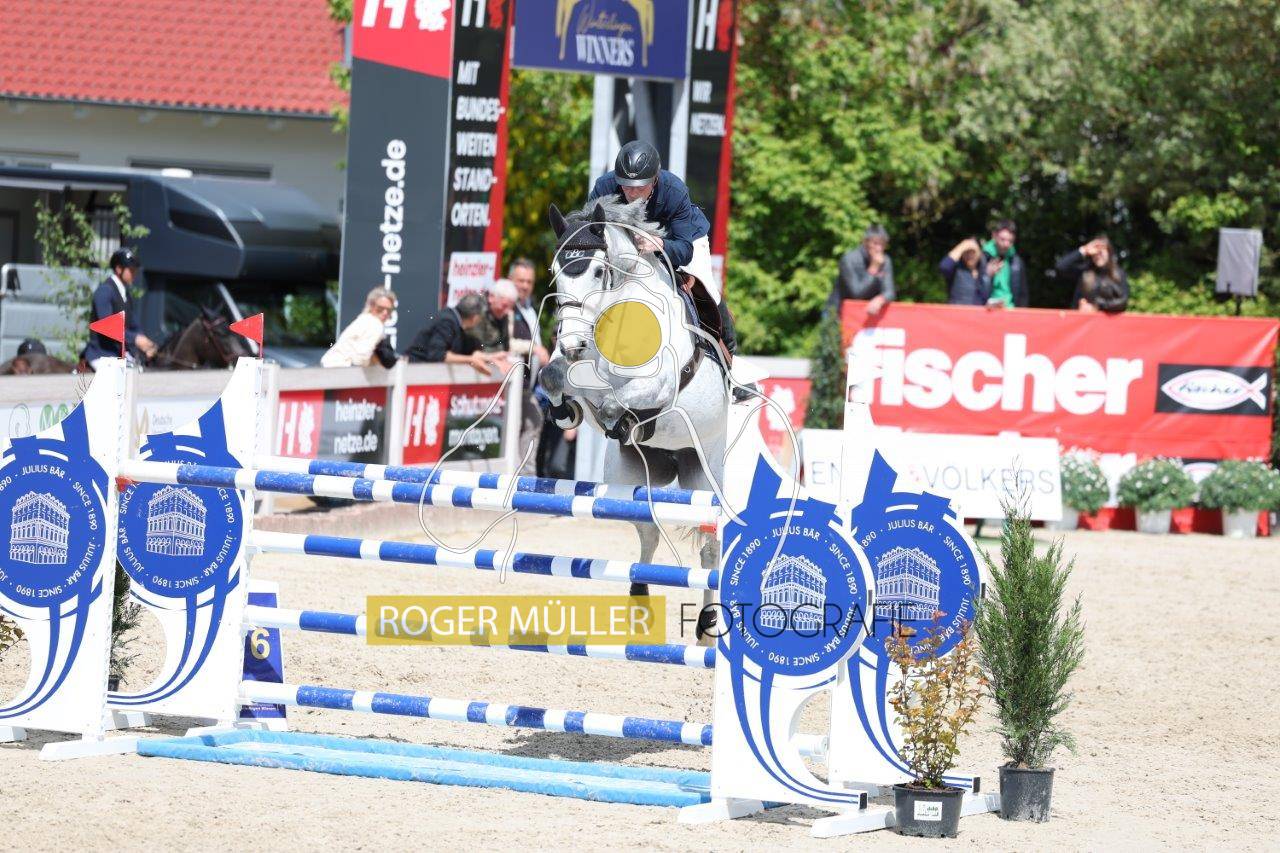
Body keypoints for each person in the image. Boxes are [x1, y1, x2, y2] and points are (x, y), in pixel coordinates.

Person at [588, 140, 738, 358]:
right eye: (627, 186)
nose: (632, 193)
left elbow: (685, 251)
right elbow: (591, 232)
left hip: (681, 239)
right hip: (630, 242)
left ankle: (730, 353)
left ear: (655, 179)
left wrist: (659, 244)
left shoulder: (674, 190)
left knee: (706, 287)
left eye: (640, 187)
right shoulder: (604, 187)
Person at [84, 247, 156, 370]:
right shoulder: (105, 291)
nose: (134, 274)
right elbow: (107, 326)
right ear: (118, 269)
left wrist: (146, 343)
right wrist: (135, 339)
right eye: (131, 270)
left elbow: (134, 325)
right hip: (102, 354)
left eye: (135, 270)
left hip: (119, 354)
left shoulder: (125, 294)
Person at [403, 293, 504, 375]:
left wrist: (489, 357)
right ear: (475, 318)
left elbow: (468, 350)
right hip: (413, 373)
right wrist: (471, 360)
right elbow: (438, 355)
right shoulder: (447, 321)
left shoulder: (458, 321)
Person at [321, 287, 398, 368]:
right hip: (341, 369)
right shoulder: (375, 325)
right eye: (380, 308)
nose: (385, 313)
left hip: (328, 366)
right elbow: (360, 359)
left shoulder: (363, 319)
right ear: (371, 305)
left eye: (389, 310)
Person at [831, 225, 895, 315]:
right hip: (837, 312)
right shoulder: (849, 260)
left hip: (866, 312)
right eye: (875, 243)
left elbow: (890, 292)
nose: (879, 249)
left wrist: (880, 299)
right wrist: (874, 268)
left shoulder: (885, 261)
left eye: (882, 244)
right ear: (865, 242)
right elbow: (856, 294)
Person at [1057, 236, 1129, 313]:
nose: (1098, 255)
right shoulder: (1085, 272)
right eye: (1095, 252)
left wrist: (1097, 306)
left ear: (1109, 252)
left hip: (1107, 319)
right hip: (1082, 318)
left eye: (1101, 251)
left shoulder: (1118, 274)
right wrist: (1084, 250)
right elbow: (1061, 267)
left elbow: (1123, 302)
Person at [980, 219, 1029, 308]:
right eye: (1002, 239)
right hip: (987, 310)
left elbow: (1023, 294)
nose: (1006, 244)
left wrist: (1021, 313)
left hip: (1011, 310)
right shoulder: (982, 258)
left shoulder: (1017, 261)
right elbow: (973, 290)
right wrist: (986, 275)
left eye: (1010, 241)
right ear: (994, 236)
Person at [940, 238, 991, 305]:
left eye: (973, 252)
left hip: (978, 311)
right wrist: (962, 246)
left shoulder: (984, 271)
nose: (969, 255)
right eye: (966, 252)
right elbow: (944, 267)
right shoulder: (956, 269)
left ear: (979, 253)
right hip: (958, 310)